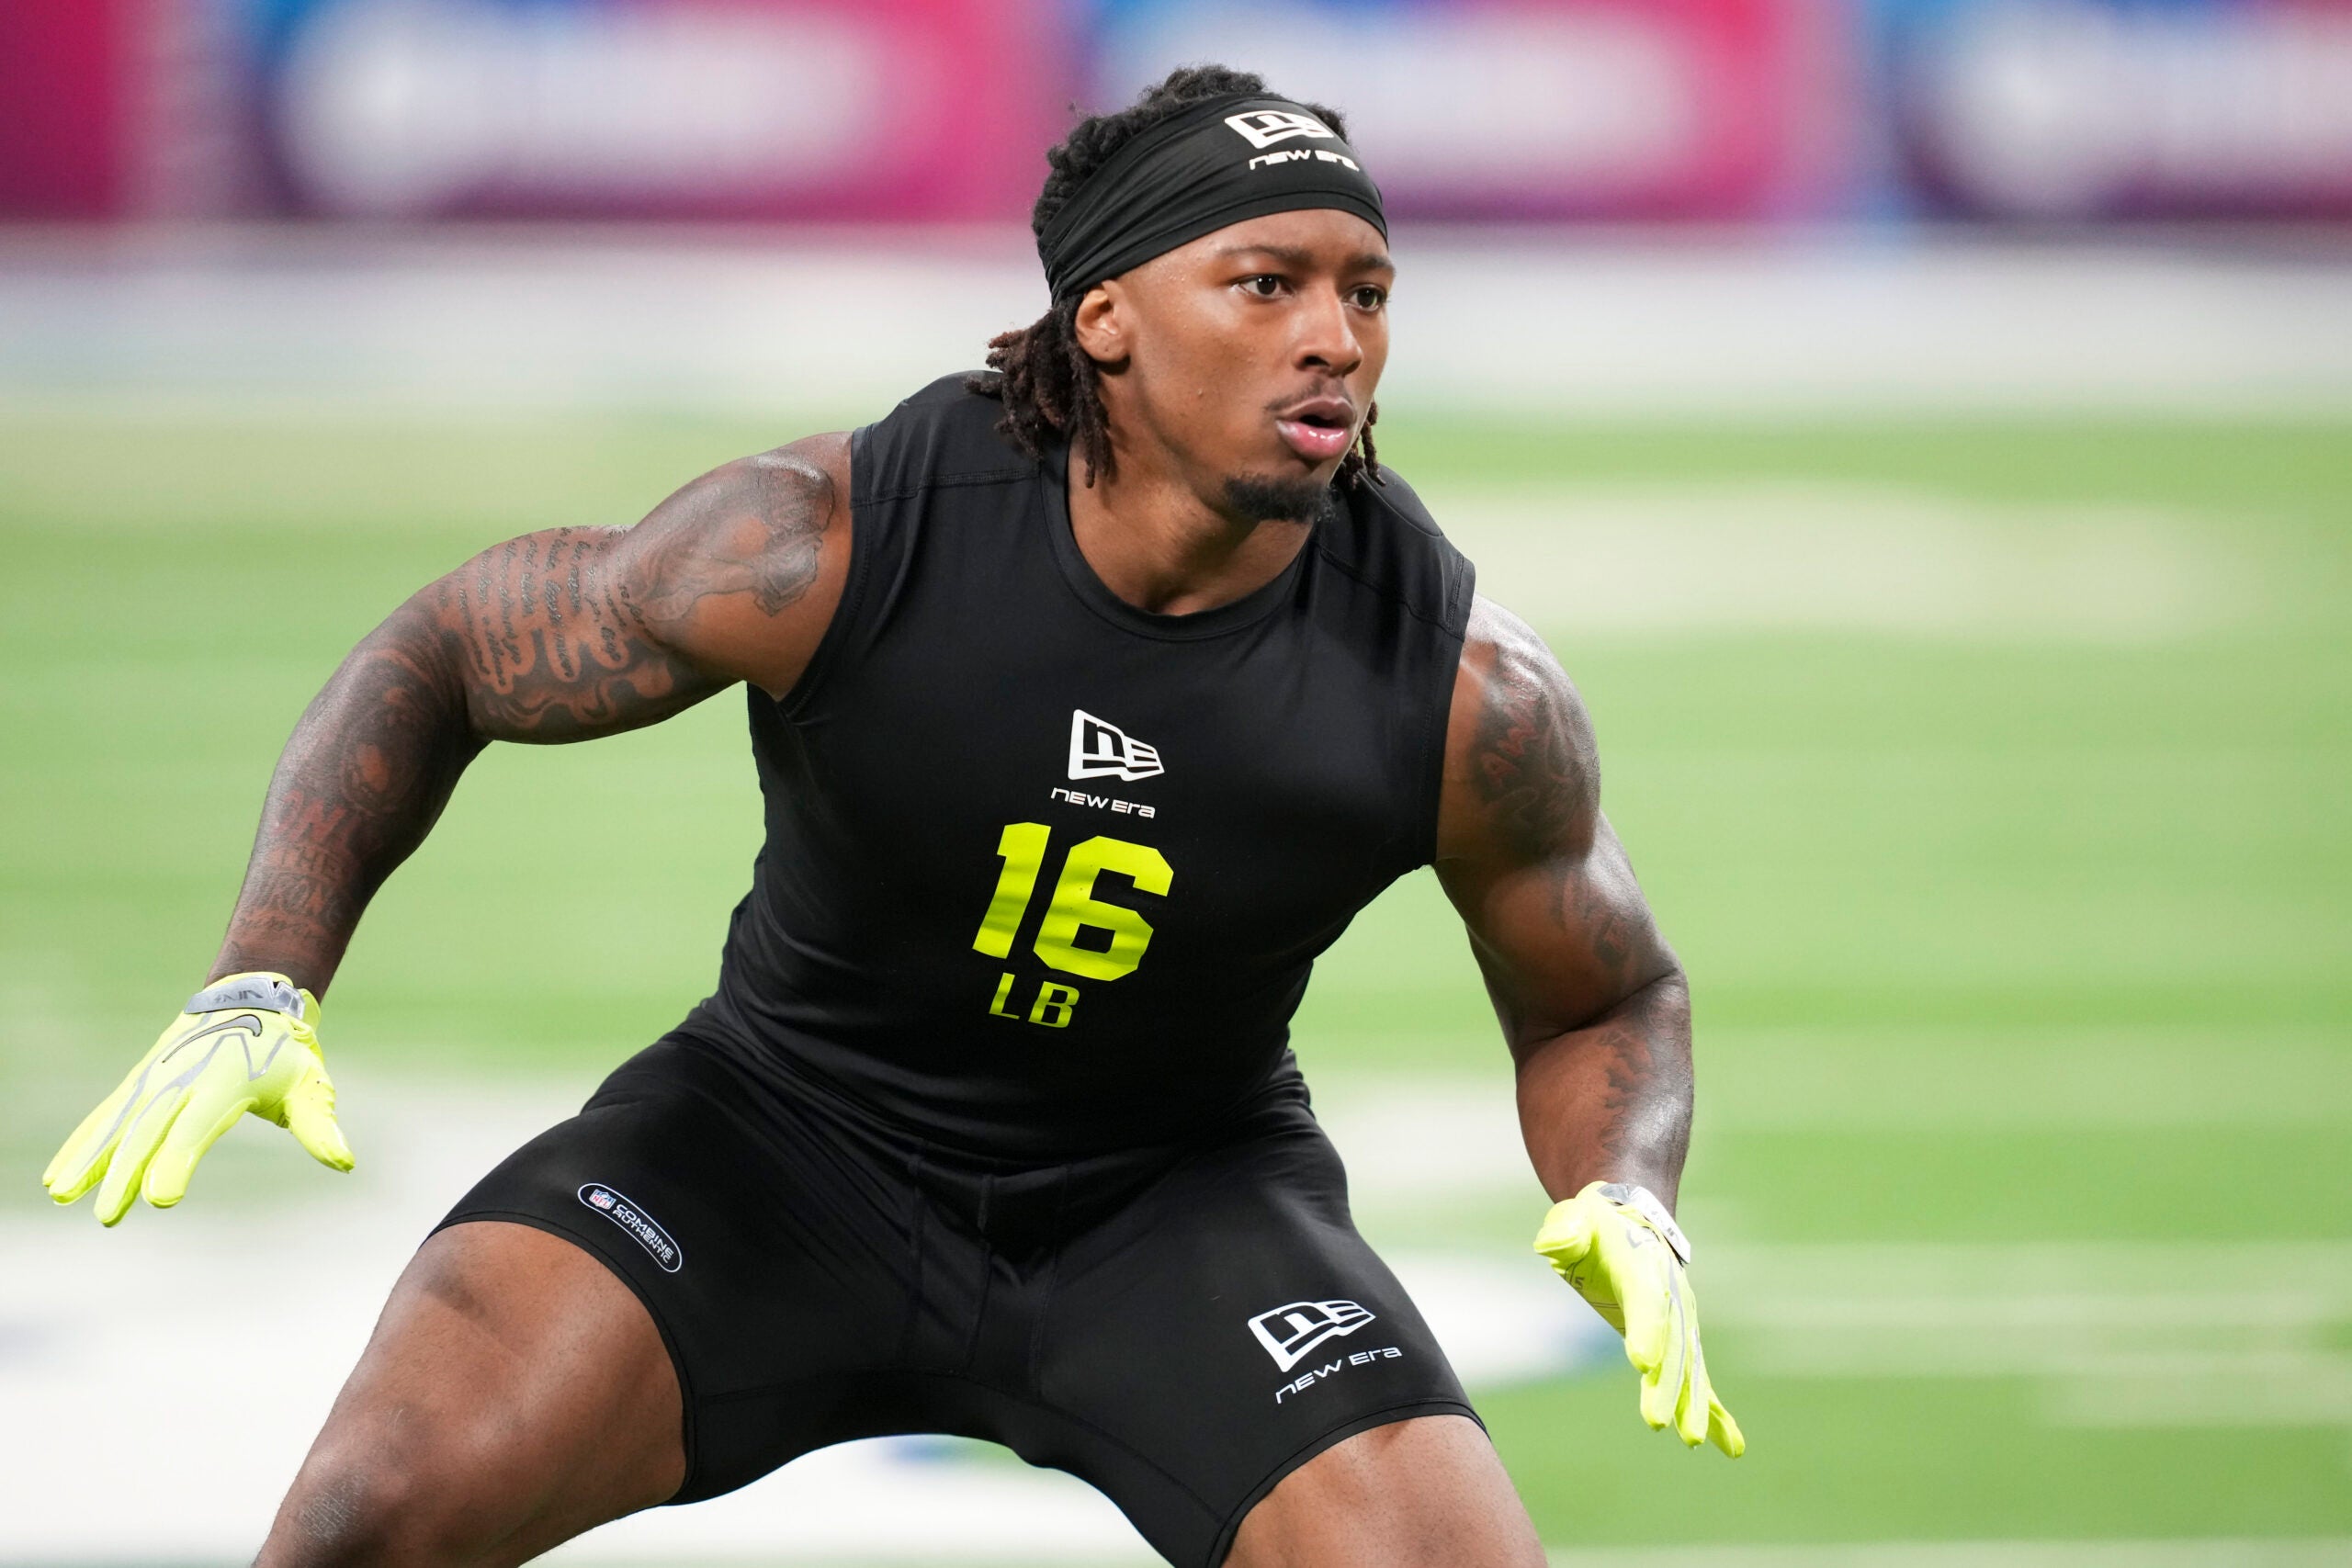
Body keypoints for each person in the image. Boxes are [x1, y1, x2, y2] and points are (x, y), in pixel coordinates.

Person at [42, 63, 1738, 1568]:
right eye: (1268, 282)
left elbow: (1608, 991)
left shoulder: (1457, 683)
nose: (1336, 338)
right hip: (779, 1148)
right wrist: (265, 975)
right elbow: (450, 653)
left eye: (1368, 290)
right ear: (1107, 318)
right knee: (368, 1518)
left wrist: (1625, 1185)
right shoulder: (835, 538)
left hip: (1170, 1204)